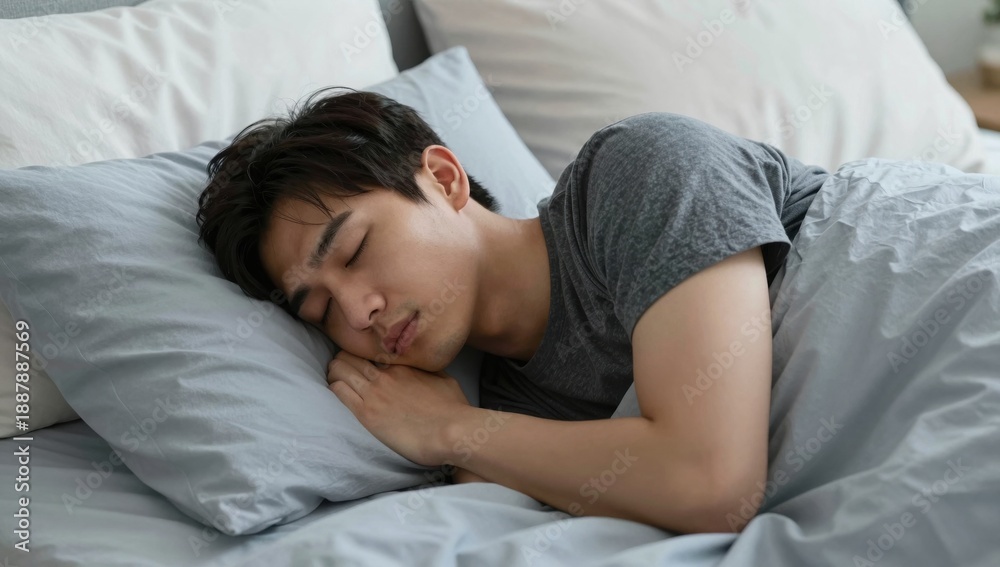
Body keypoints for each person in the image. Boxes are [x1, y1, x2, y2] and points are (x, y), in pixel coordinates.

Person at [195, 86, 829, 534]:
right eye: (321, 310)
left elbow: (712, 483)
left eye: (356, 249)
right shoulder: (510, 424)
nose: (359, 313)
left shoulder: (639, 168)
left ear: (443, 179)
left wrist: (450, 429)